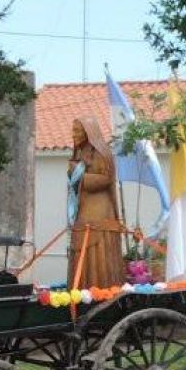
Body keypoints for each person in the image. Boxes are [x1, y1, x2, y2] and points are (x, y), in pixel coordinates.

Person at [67, 116, 125, 289]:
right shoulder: (79, 151)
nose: (73, 134)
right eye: (73, 130)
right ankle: (81, 287)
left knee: (96, 244)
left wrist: (80, 177)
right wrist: (74, 173)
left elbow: (106, 178)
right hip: (83, 206)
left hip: (99, 207)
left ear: (88, 133)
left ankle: (101, 287)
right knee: (81, 243)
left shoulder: (101, 151)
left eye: (77, 131)